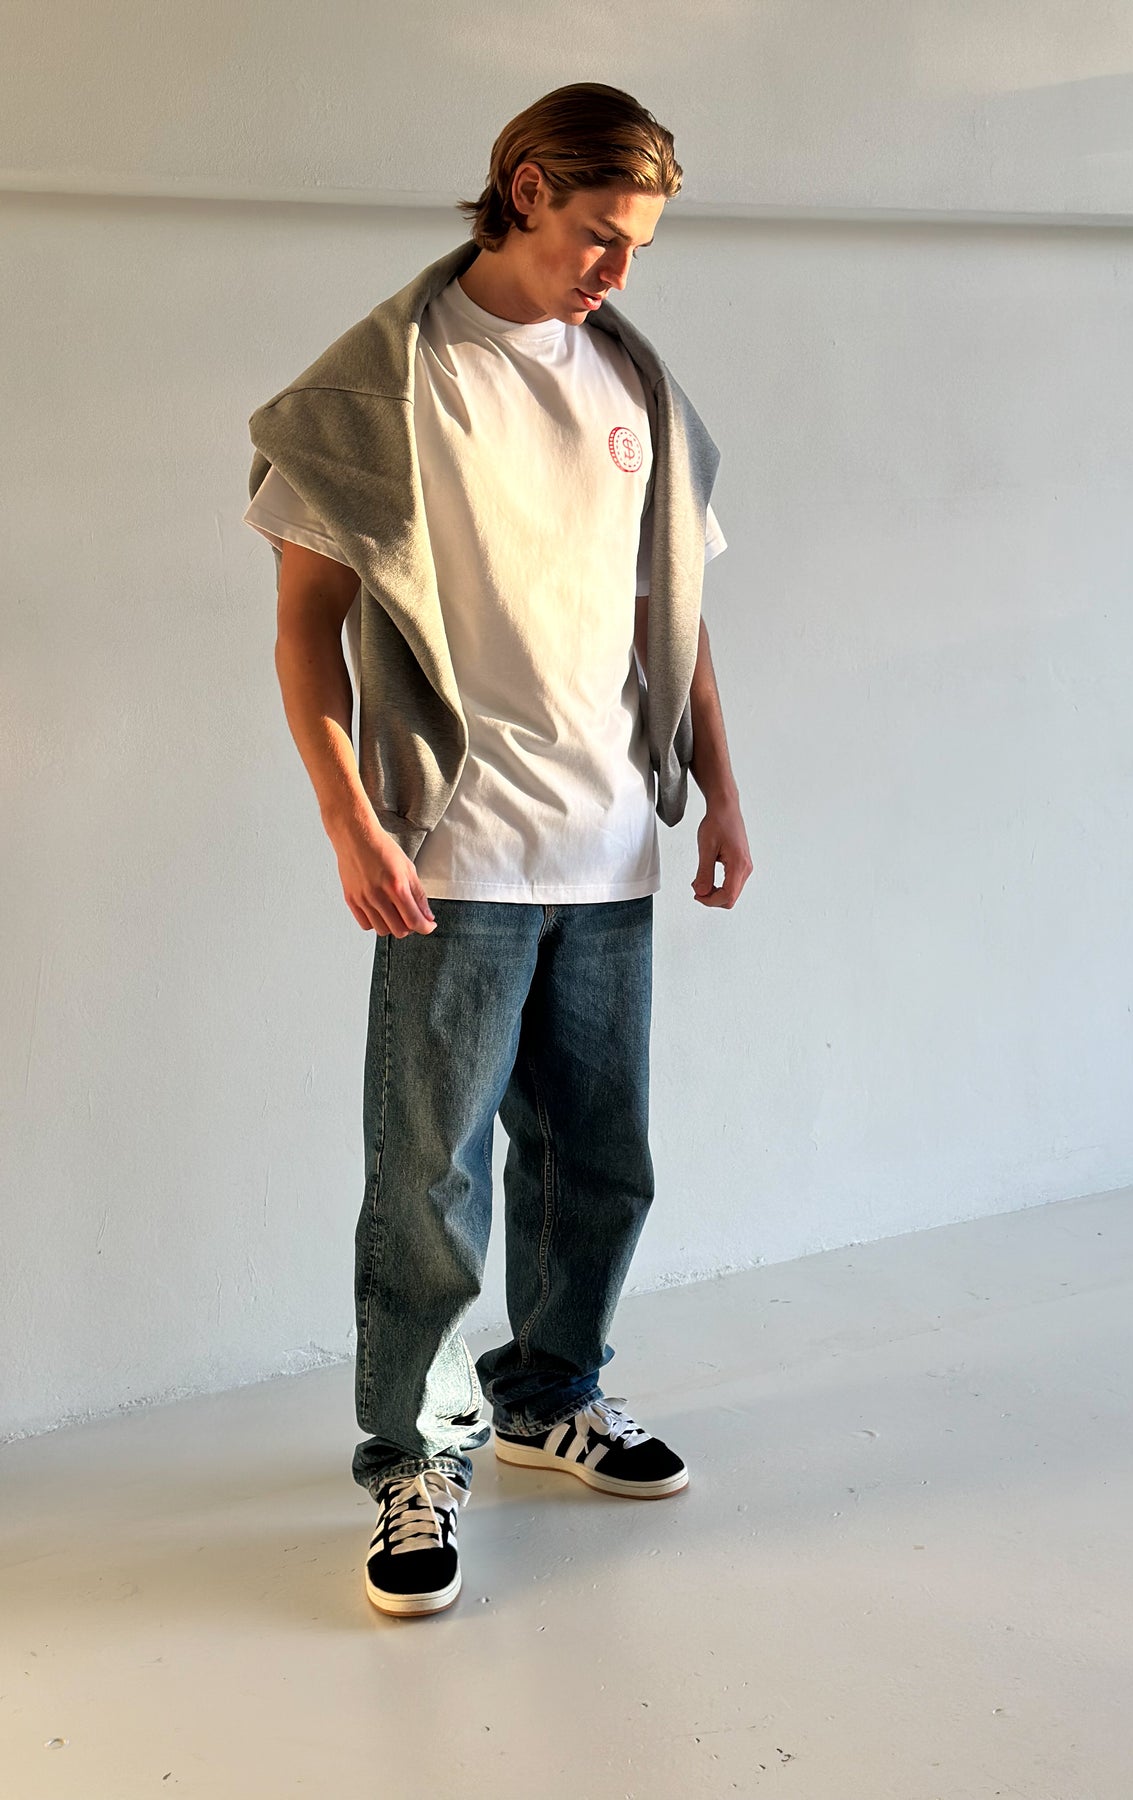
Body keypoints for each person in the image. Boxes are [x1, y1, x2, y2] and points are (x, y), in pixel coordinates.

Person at [242, 82, 752, 1618]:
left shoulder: (634, 388)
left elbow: (676, 622)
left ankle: (550, 1397)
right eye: (599, 234)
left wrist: (722, 793)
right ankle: (416, 1454)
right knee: (428, 1182)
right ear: (524, 189)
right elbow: (306, 630)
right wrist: (347, 816)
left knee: (600, 1162)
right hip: (451, 851)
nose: (618, 270)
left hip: (610, 846)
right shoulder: (379, 389)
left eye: (638, 244)